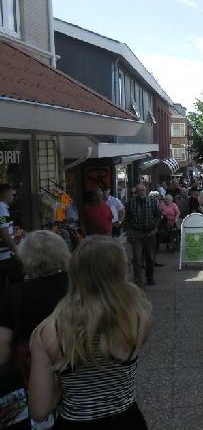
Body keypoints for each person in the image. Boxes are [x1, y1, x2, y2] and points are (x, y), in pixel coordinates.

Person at [28, 235, 152, 428]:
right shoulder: (139, 319)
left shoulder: (48, 332)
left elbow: (39, 410)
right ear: (120, 271)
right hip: (127, 421)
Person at [0, 231, 69, 430]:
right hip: (77, 378)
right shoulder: (77, 287)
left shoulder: (14, 295)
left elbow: (2, 352)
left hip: (32, 381)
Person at [125, 184, 161, 286]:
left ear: (146, 190)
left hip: (150, 233)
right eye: (139, 190)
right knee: (137, 258)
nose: (141, 192)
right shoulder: (130, 203)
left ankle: (150, 278)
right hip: (136, 233)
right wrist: (130, 231)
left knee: (150, 258)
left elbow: (158, 216)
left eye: (143, 190)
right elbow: (127, 218)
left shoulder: (152, 201)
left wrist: (155, 228)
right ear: (136, 192)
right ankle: (138, 280)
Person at [0, 184, 22, 293]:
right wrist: (15, 250)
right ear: (6, 194)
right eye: (12, 195)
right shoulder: (1, 208)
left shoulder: (4, 209)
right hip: (4, 256)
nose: (13, 197)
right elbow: (4, 233)